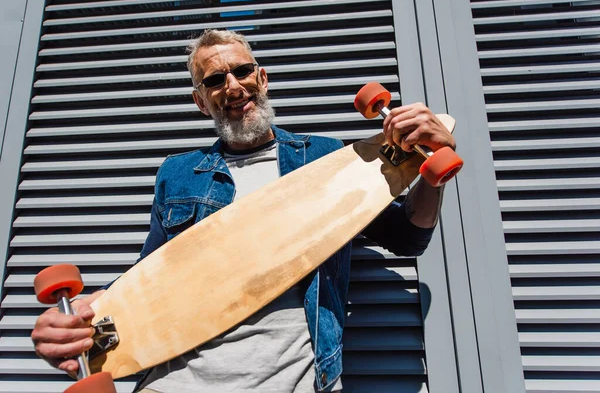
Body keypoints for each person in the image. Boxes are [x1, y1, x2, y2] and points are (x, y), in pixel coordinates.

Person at [31, 29, 457, 393]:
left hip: (292, 381)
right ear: (201, 101)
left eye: (241, 71)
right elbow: (153, 273)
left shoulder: (330, 159)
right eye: (215, 79)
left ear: (262, 78)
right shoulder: (178, 173)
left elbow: (408, 237)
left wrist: (433, 170)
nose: (232, 86)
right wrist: (80, 320)